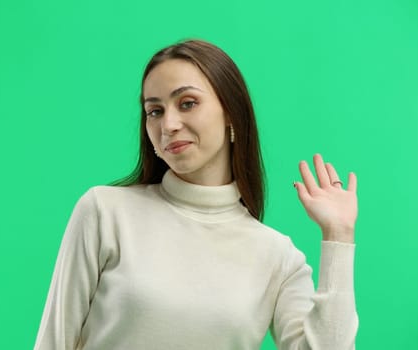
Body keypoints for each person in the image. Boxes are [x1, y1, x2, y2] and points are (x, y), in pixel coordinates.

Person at [34, 39, 358, 350]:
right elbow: (53, 342)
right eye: (155, 111)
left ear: (231, 112)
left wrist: (339, 235)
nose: (169, 124)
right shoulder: (105, 212)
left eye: (187, 103)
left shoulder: (277, 257)